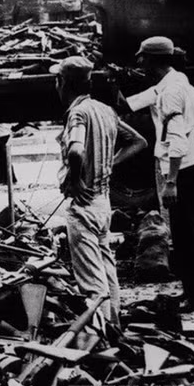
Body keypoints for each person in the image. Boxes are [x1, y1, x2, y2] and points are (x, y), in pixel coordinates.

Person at [52, 56, 147, 327]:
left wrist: (75, 180)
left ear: (62, 83)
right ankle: (114, 327)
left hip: (83, 207)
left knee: (91, 283)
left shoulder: (78, 113)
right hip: (103, 203)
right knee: (107, 270)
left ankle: (101, 336)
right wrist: (108, 162)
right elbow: (138, 141)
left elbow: (76, 150)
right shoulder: (105, 110)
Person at [126, 36, 194, 313]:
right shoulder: (176, 81)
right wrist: (119, 87)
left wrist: (171, 182)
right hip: (191, 165)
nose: (139, 61)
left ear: (153, 60)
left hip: (180, 169)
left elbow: (177, 140)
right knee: (190, 230)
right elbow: (137, 101)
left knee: (184, 236)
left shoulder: (171, 92)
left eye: (142, 57)